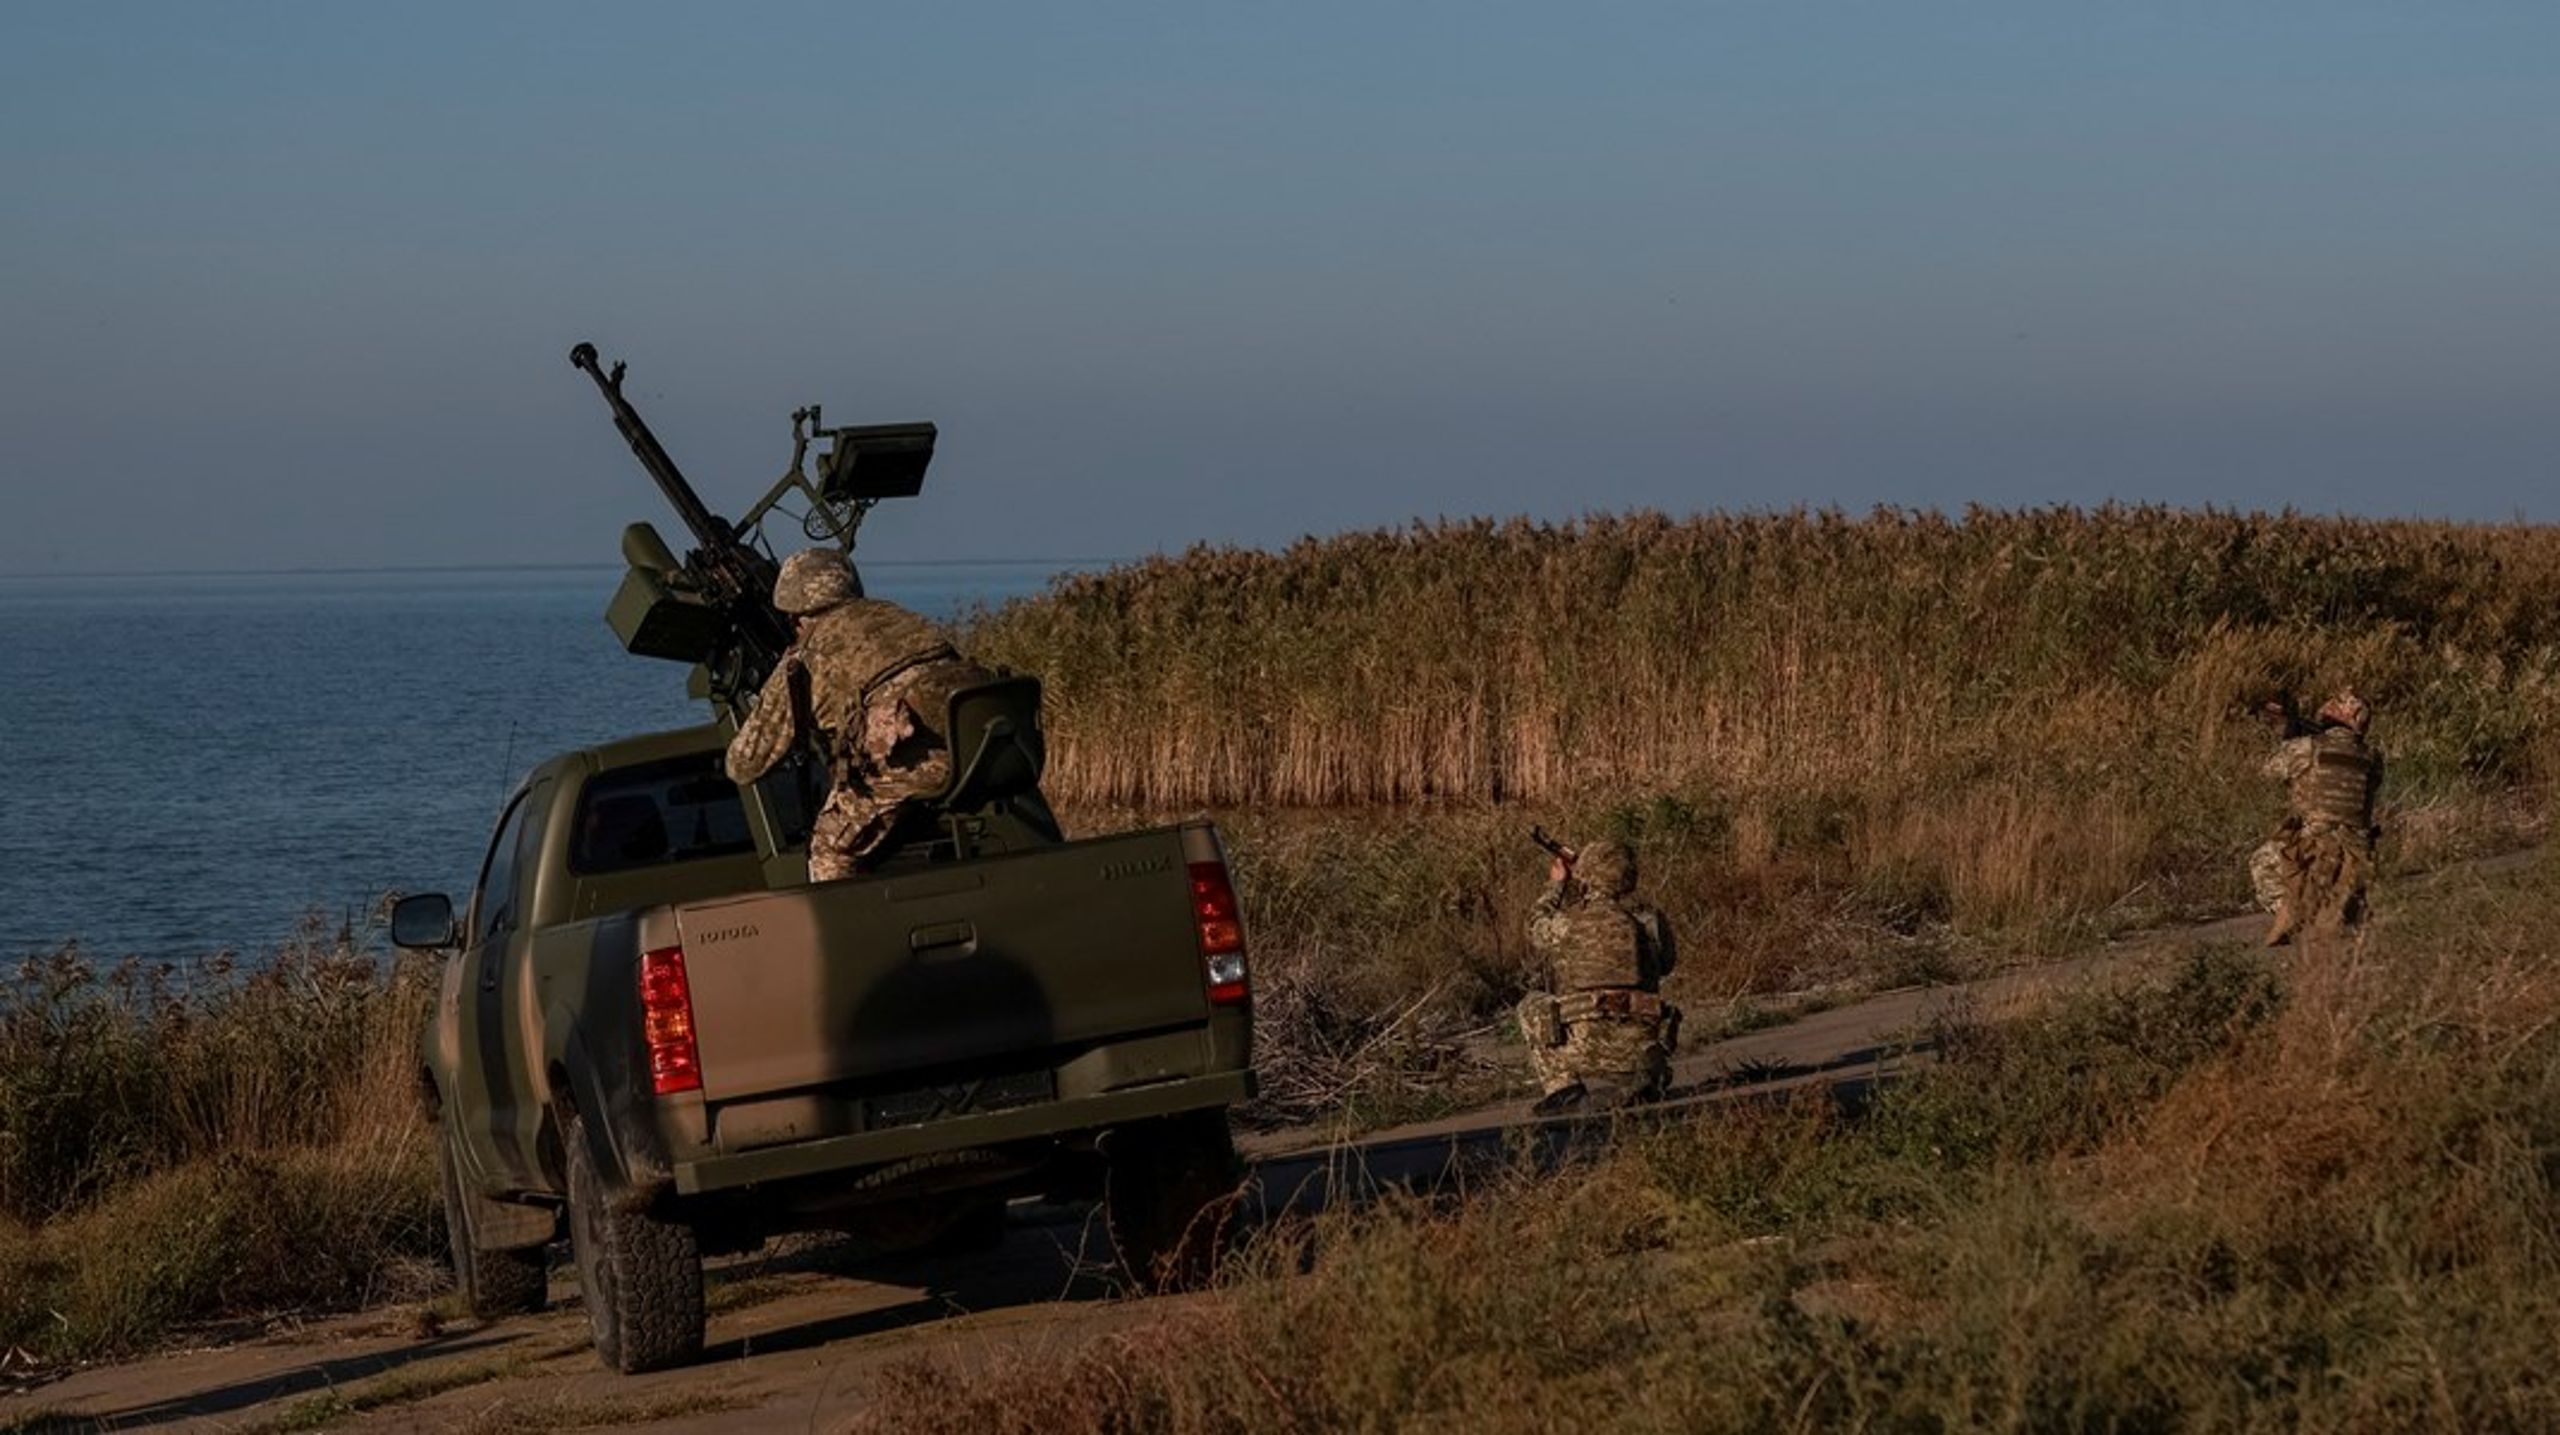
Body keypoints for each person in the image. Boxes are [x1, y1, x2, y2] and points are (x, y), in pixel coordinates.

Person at [724, 549, 993, 881]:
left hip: (918, 768)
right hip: (980, 751)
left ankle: (844, 926)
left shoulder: (808, 657)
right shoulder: (899, 618)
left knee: (829, 848)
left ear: (795, 616)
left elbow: (745, 763)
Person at [1517, 837, 1679, 1114]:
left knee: (1531, 1005)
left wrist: (1556, 885)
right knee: (1643, 1034)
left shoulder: (1568, 923)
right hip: (1639, 1042)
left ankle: (1564, 1090)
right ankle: (1647, 1070)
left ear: (1587, 875)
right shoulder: (1650, 921)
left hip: (1583, 1049)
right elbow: (1665, 965)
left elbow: (1534, 925)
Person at [2252, 690, 2382, 946]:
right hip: (2358, 850)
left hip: (2314, 842)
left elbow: (2267, 773)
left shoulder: (2305, 747)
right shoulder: (2373, 757)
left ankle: (2291, 911)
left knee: (2261, 863)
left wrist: (2288, 740)